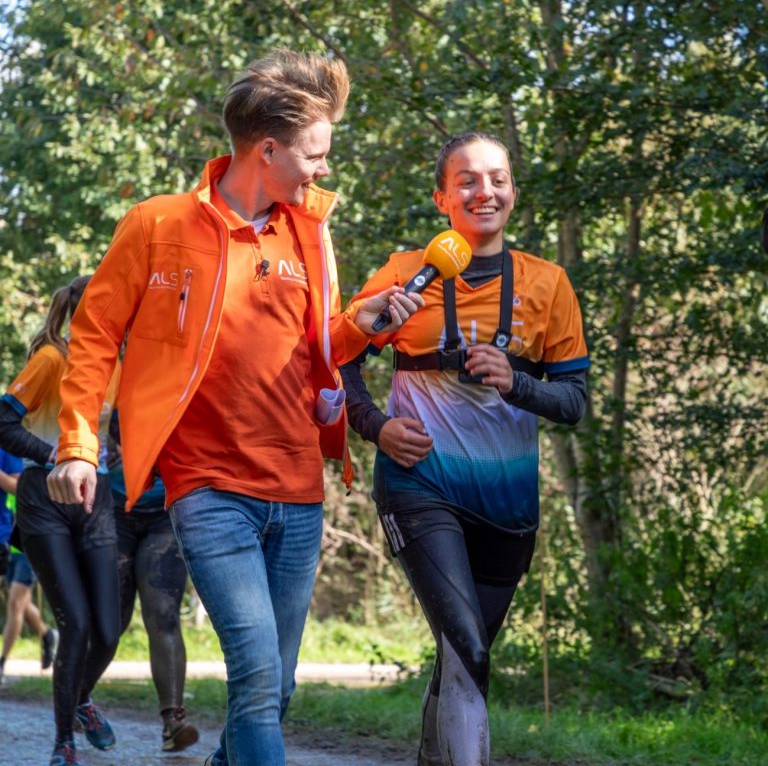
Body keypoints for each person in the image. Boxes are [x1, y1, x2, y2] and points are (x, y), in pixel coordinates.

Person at [46, 48, 420, 766]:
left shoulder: (309, 232)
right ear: (269, 149)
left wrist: (360, 322)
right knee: (254, 680)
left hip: (300, 491)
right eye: (315, 154)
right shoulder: (157, 226)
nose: (322, 170)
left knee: (274, 695)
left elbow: (318, 346)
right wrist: (76, 444)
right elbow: (93, 337)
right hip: (210, 489)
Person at [340, 132, 590, 766]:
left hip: (508, 505)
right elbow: (337, 361)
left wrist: (518, 381)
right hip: (419, 482)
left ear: (512, 191)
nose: (486, 191)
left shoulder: (548, 283)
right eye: (469, 181)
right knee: (470, 649)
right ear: (442, 198)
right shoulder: (404, 274)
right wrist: (374, 427)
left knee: (461, 655)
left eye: (498, 179)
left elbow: (574, 401)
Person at [0, 276, 121, 766]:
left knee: (109, 631)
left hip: (97, 499)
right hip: (43, 498)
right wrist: (55, 454)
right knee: (75, 623)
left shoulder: (117, 364)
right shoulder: (52, 358)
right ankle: (63, 742)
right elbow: (3, 422)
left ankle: (82, 701)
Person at [108, 411, 199, 752]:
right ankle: (75, 701)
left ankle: (173, 721)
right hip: (113, 508)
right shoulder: (107, 367)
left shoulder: (182, 367)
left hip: (166, 507)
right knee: (111, 621)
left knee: (163, 613)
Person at [0, 447, 59, 686]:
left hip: (20, 537)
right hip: (9, 539)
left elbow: (17, 486)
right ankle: (46, 634)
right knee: (18, 603)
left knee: (15, 602)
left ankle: (2, 663)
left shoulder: (10, 448)